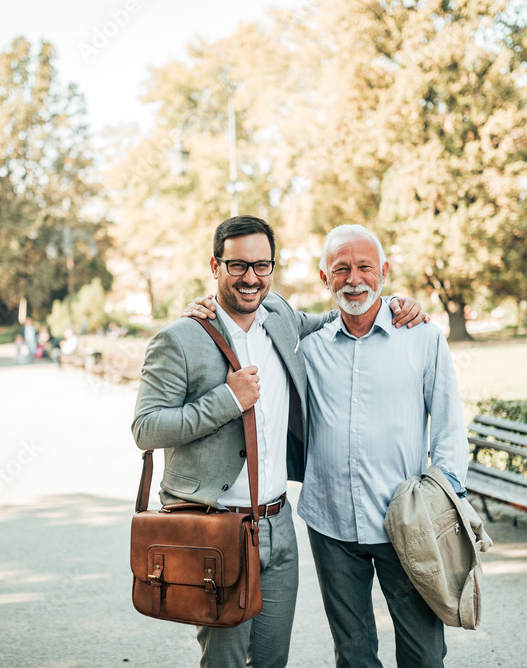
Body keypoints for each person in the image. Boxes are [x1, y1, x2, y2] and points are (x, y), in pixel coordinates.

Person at [132, 215, 426, 668]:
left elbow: (344, 310)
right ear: (215, 266)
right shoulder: (181, 338)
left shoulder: (281, 317)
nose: (251, 278)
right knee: (225, 661)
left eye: (261, 266)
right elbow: (146, 428)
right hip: (216, 527)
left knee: (272, 661)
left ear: (272, 268)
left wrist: (397, 305)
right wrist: (228, 398)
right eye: (237, 266)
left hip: (279, 523)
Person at [298, 224, 469, 668]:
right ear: (324, 278)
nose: (353, 279)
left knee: (424, 654)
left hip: (408, 524)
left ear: (384, 272)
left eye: (364, 267)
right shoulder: (307, 348)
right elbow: (252, 319)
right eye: (341, 269)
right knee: (353, 656)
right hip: (331, 521)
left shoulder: (422, 337)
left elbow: (449, 426)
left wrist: (443, 501)